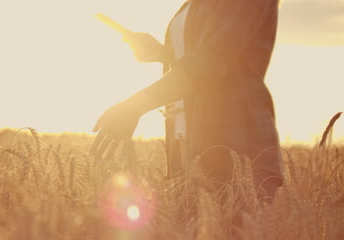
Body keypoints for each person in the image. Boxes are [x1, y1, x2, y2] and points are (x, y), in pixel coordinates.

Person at [91, 0, 284, 202]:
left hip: (234, 148)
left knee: (231, 232)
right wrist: (162, 53)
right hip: (187, 152)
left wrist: (134, 106)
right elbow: (204, 60)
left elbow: (209, 63)